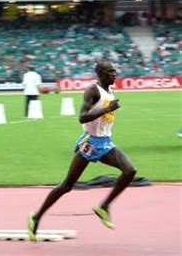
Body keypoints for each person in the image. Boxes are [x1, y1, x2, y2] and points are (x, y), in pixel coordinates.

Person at [27, 61, 137, 241]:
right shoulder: (93, 90)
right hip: (90, 142)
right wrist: (108, 108)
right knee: (67, 185)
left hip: (105, 141)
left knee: (130, 170)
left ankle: (104, 207)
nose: (114, 75)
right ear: (100, 73)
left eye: (115, 72)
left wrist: (108, 109)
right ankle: (36, 217)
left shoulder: (110, 91)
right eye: (111, 72)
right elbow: (82, 117)